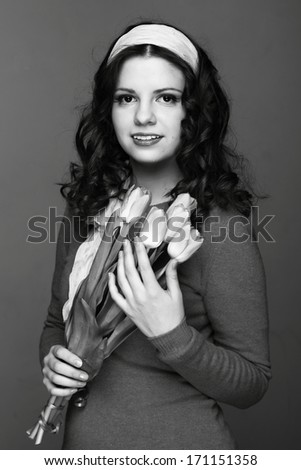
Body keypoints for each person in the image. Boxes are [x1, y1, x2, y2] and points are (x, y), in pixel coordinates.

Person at [39, 22, 271, 450]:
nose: (144, 116)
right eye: (127, 98)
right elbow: (58, 321)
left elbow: (252, 382)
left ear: (193, 111)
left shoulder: (220, 227)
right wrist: (55, 360)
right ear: (109, 110)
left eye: (167, 98)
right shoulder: (88, 208)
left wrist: (172, 333)